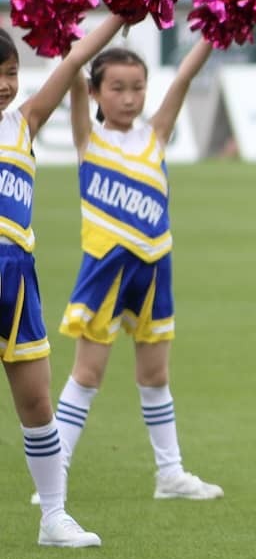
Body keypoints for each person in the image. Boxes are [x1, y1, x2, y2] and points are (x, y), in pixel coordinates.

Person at [46, 38, 224, 503]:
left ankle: (170, 473)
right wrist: (113, 21)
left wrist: (214, 30)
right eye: (117, 88)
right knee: (87, 374)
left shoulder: (155, 134)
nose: (128, 98)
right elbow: (73, 65)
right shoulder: (89, 137)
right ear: (95, 93)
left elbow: (183, 77)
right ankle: (54, 472)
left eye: (138, 88)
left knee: (155, 375)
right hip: (104, 271)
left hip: (154, 268)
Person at [1, 15, 125, 547]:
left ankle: (54, 516)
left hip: (16, 277)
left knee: (36, 400)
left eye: (10, 72)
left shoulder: (23, 121)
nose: (6, 84)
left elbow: (74, 61)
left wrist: (120, 14)